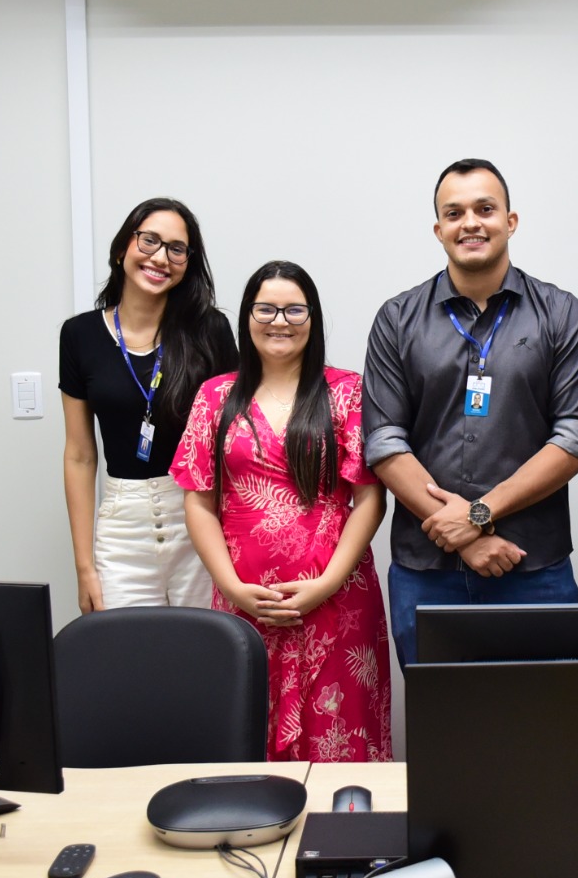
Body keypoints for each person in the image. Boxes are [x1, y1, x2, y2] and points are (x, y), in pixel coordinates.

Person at [363, 158, 578, 665]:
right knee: (443, 731)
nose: (470, 222)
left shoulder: (562, 315)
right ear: (438, 229)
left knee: (545, 728)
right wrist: (462, 537)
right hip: (426, 575)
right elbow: (384, 441)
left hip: (531, 569)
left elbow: (577, 437)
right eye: (455, 213)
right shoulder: (397, 319)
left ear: (510, 221)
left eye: (485, 209)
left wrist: (477, 516)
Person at [172, 260, 391, 762]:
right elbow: (199, 500)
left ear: (312, 319)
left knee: (340, 746)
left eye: (295, 309)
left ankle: (344, 843)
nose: (280, 321)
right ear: (247, 317)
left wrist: (327, 583)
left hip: (337, 602)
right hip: (245, 602)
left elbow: (370, 498)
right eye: (266, 308)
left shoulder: (346, 391)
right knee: (245, 740)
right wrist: (230, 587)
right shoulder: (214, 397)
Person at [60, 198, 238, 613]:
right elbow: (80, 456)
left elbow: (235, 437)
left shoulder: (210, 330)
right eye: (150, 241)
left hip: (200, 519)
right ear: (123, 247)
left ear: (188, 263)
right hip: (122, 528)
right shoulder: (80, 334)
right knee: (129, 663)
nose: (161, 257)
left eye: (177, 249)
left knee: (207, 661)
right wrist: (84, 566)